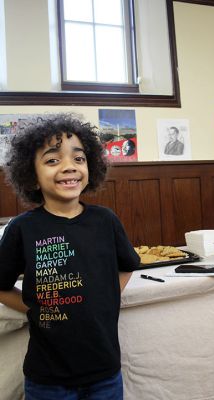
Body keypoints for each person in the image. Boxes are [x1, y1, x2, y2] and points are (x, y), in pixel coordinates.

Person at [0, 114, 140, 400]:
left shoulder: (105, 221)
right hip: (47, 380)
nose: (69, 167)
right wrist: (33, 306)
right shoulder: (22, 229)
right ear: (32, 175)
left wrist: (105, 295)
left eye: (78, 159)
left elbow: (127, 266)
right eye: (52, 160)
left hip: (104, 374)